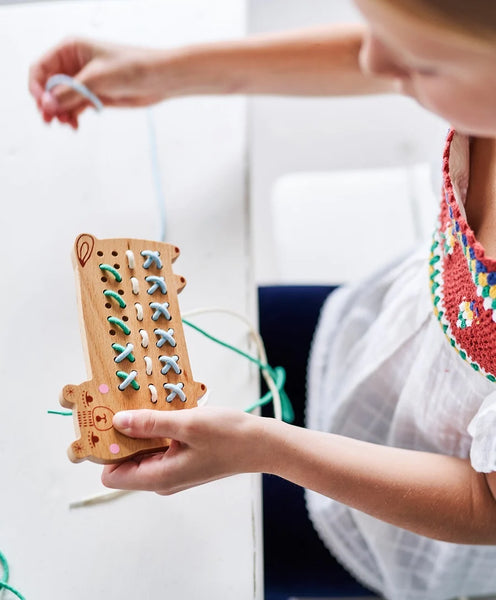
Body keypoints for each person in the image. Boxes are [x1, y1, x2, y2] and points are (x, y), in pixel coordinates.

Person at [29, 1, 496, 599]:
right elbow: (395, 44)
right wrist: (164, 70)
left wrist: (266, 446)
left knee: (200, 560)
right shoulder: (464, 57)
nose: (373, 56)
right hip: (386, 334)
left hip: (409, 508)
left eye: (422, 64)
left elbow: (485, 501)